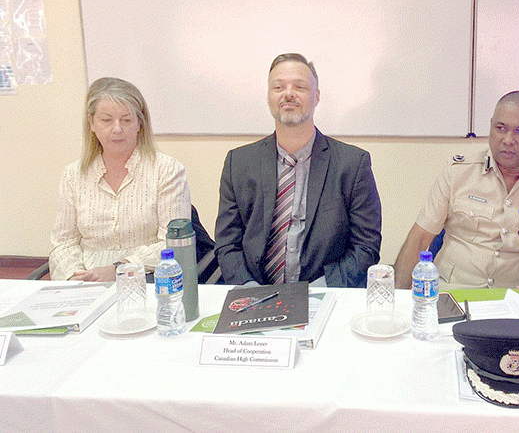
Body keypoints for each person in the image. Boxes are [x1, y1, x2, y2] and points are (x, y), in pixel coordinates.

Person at [215, 53, 381, 287]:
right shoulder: (238, 163)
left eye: (300, 86)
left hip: (325, 296)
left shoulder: (352, 164)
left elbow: (367, 246)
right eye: (279, 87)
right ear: (269, 97)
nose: (288, 93)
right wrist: (249, 289)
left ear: (317, 97)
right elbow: (227, 244)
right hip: (257, 296)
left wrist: (322, 290)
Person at [394, 91, 519, 291]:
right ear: (491, 126)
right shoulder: (457, 173)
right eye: (500, 128)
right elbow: (419, 238)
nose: (508, 139)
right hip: (451, 293)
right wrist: (400, 298)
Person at [49, 77, 191, 281]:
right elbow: (63, 242)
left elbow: (172, 243)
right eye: (106, 120)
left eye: (126, 120)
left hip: (149, 278)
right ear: (91, 123)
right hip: (86, 281)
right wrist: (75, 277)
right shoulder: (73, 174)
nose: (117, 129)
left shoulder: (166, 169)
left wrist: (119, 269)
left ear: (139, 123)